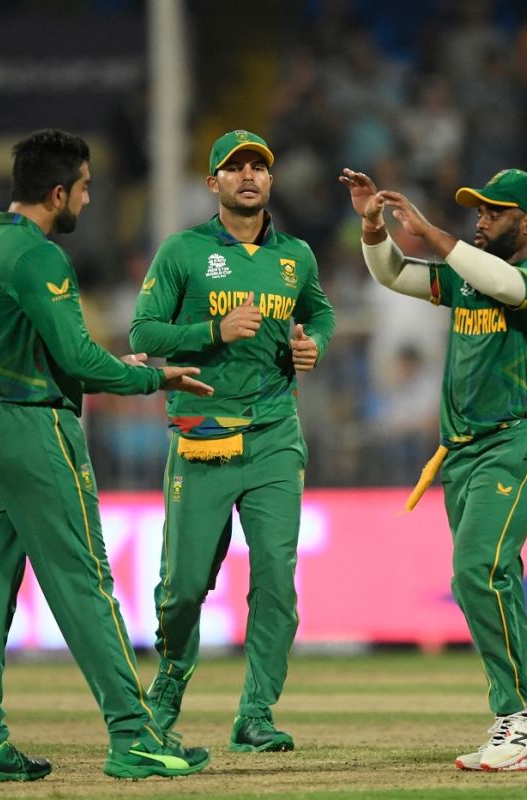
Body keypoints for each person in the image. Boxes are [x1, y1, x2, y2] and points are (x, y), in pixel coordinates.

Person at [0, 129, 213, 782]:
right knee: (84, 582)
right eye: (85, 189)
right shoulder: (38, 259)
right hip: (34, 430)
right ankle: (134, 736)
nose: (88, 202)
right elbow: (78, 360)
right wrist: (155, 377)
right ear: (58, 192)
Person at [340, 166, 527, 771]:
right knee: (493, 580)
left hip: (519, 443)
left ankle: (518, 717)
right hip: (463, 455)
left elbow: (508, 286)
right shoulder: (469, 279)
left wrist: (434, 233)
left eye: (494, 212)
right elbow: (391, 272)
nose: (481, 219)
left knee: (476, 570)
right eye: (478, 211)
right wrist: (373, 226)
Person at [130, 129, 335, 753]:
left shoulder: (296, 255)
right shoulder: (182, 252)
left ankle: (256, 714)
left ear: (270, 182)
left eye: (259, 167)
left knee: (276, 578)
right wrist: (213, 330)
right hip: (203, 437)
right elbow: (144, 331)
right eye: (234, 167)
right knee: (185, 585)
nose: (249, 175)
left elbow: (320, 312)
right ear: (212, 183)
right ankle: (169, 680)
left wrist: (313, 344)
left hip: (276, 434)